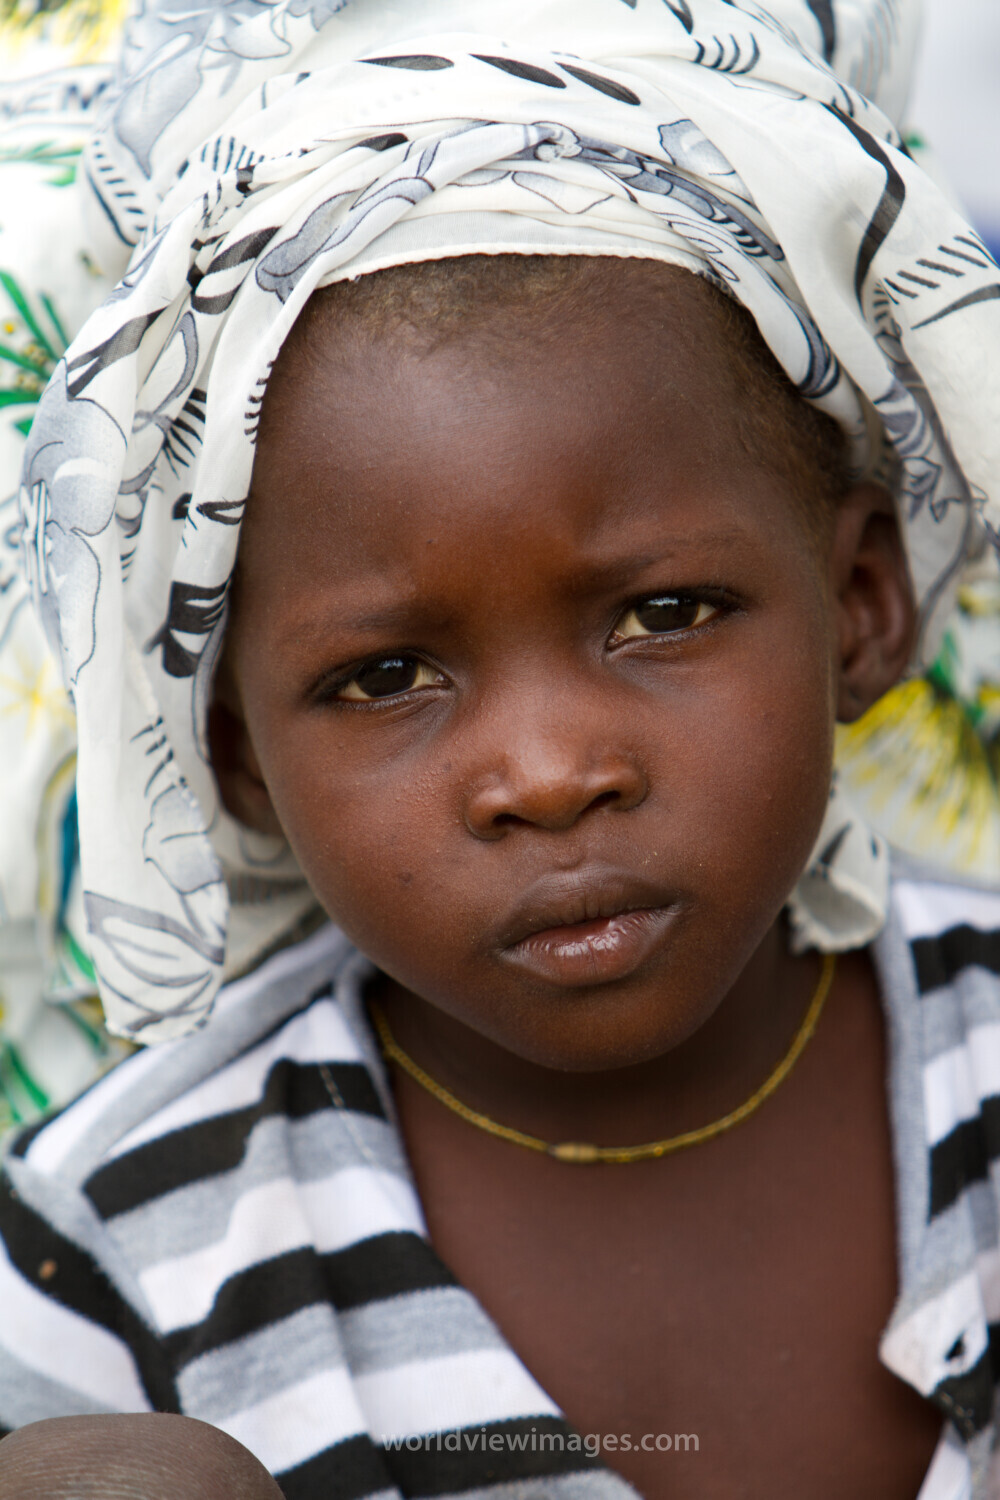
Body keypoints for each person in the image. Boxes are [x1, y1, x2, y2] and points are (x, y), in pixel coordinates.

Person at [0, 1, 998, 1498]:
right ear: (237, 758)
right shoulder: (113, 1245)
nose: (545, 773)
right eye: (385, 674)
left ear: (859, 605)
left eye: (665, 613)